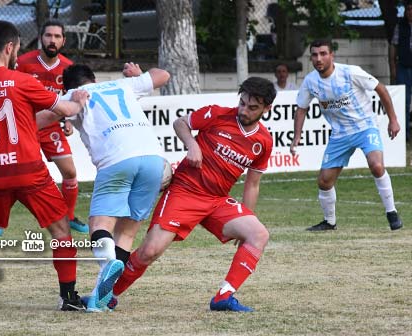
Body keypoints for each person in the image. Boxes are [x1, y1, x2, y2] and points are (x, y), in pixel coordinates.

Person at [0, 21, 88, 315]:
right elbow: (65, 110)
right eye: (17, 49)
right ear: (10, 48)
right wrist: (79, 99)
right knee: (61, 231)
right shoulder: (21, 81)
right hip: (30, 171)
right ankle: (68, 296)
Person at [97, 76, 276, 313]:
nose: (244, 110)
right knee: (150, 251)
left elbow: (252, 184)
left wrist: (247, 218)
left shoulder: (263, 141)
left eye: (252, 107)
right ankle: (108, 293)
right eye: (242, 103)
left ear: (266, 108)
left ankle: (223, 297)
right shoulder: (217, 114)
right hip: (185, 191)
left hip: (217, 200)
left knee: (258, 234)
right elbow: (181, 123)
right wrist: (192, 144)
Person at [36, 62, 170, 312]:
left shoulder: (71, 95)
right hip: (154, 159)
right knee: (127, 233)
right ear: (93, 79)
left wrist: (68, 105)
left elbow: (39, 121)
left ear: (69, 86)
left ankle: (108, 264)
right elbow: (163, 75)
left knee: (99, 226)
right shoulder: (123, 84)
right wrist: (137, 76)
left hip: (117, 160)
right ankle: (102, 297)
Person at [291, 38, 402, 231]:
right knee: (324, 181)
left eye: (323, 54)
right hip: (339, 135)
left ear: (332, 55)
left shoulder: (350, 72)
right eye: (315, 55)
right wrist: (297, 136)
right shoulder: (310, 81)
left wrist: (393, 119)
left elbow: (380, 89)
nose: (319, 59)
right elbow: (301, 108)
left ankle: (391, 213)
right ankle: (329, 222)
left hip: (365, 126)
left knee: (376, 165)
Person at [0, 20, 87, 239]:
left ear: (63, 40)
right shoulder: (22, 62)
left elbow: (70, 99)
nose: (52, 40)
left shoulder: (68, 67)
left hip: (51, 127)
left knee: (70, 173)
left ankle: (69, 217)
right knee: (16, 176)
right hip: (25, 128)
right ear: (40, 38)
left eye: (57, 37)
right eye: (48, 36)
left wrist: (69, 120)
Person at [389, 1, 412, 141]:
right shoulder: (400, 26)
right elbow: (393, 47)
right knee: (404, 102)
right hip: (403, 67)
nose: (410, 12)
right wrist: (393, 68)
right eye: (408, 9)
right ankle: (404, 135)